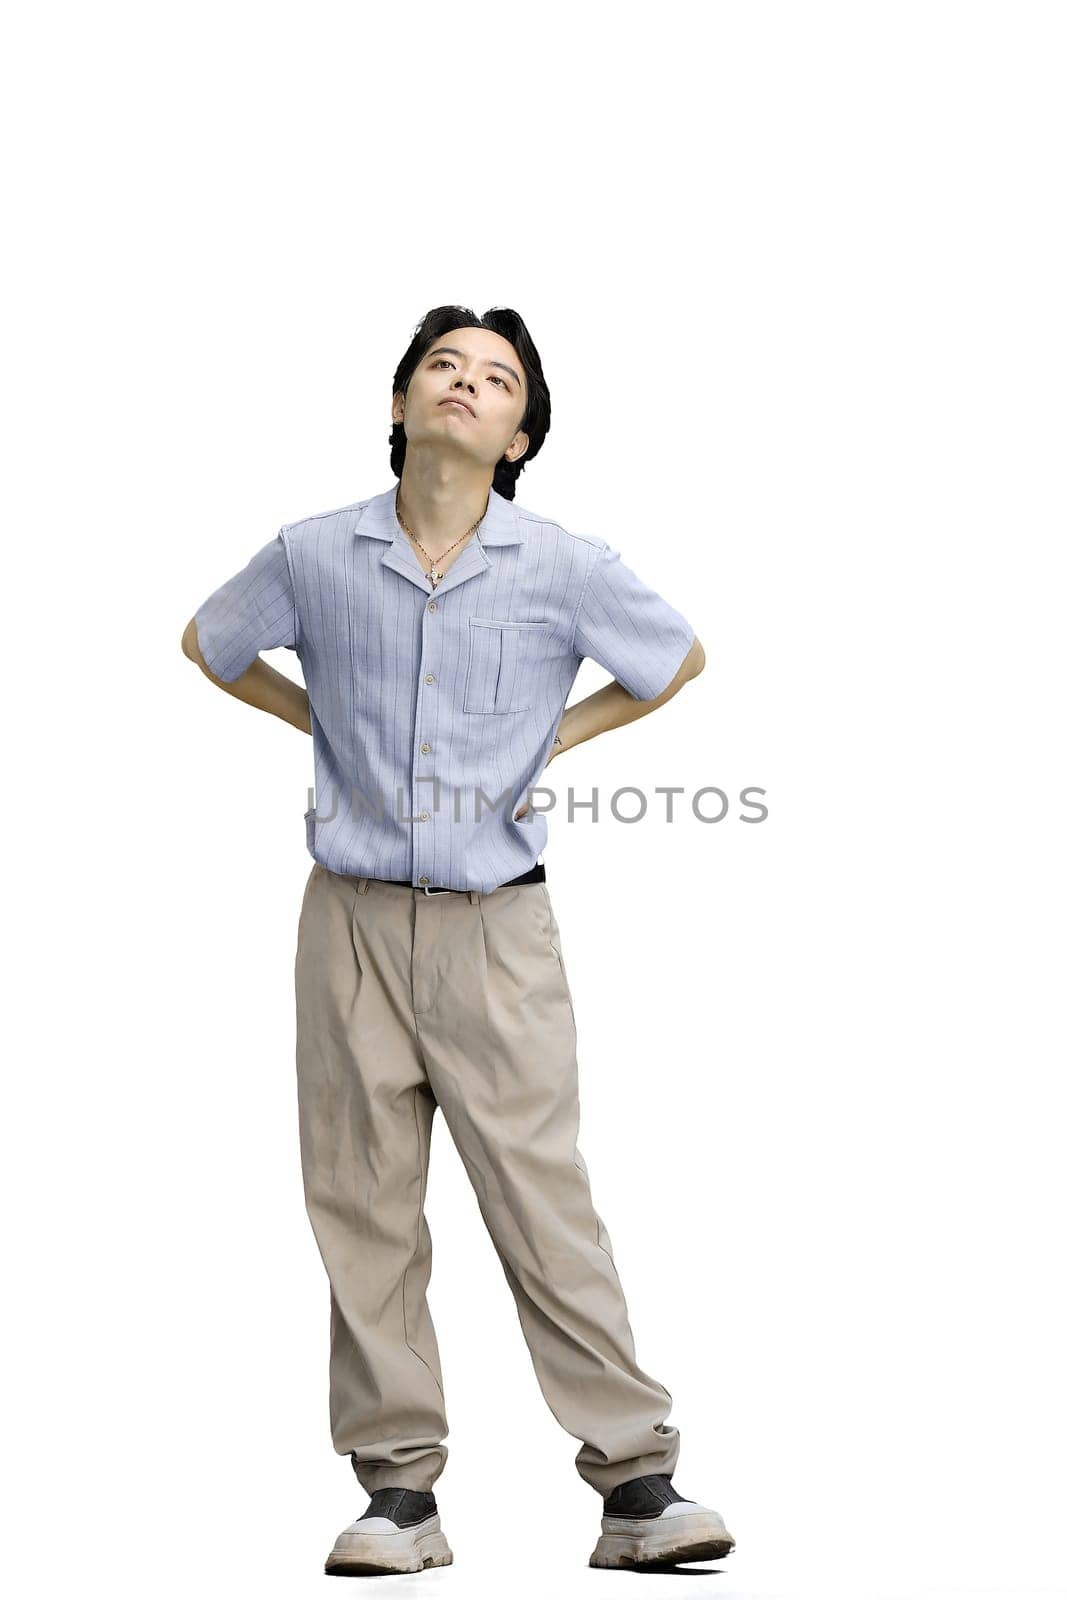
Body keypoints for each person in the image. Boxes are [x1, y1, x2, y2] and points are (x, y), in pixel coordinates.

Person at [182, 304, 735, 1575]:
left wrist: (559, 738)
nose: (465, 386)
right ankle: (397, 1497)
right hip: (350, 929)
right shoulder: (314, 554)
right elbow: (209, 645)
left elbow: (676, 660)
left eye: (494, 380)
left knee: (542, 1201)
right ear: (397, 405)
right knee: (362, 1206)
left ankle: (637, 1481)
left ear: (519, 433)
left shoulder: (562, 564)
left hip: (501, 932)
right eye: (443, 366)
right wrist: (317, 724)